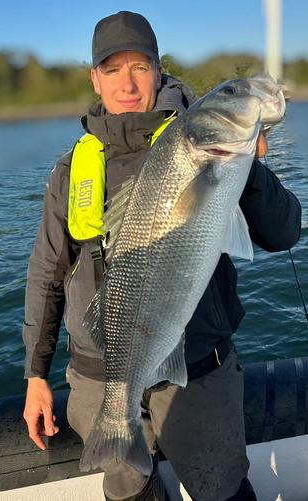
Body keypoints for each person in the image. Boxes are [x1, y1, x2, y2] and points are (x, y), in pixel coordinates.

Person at [22, 11, 301, 501]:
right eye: (112, 69)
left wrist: (249, 171)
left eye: (139, 67)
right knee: (130, 490)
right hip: (99, 372)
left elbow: (282, 233)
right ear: (95, 79)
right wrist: (34, 374)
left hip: (196, 368)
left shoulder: (196, 145)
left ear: (158, 69)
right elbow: (47, 273)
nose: (127, 84)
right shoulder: (71, 170)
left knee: (222, 489)